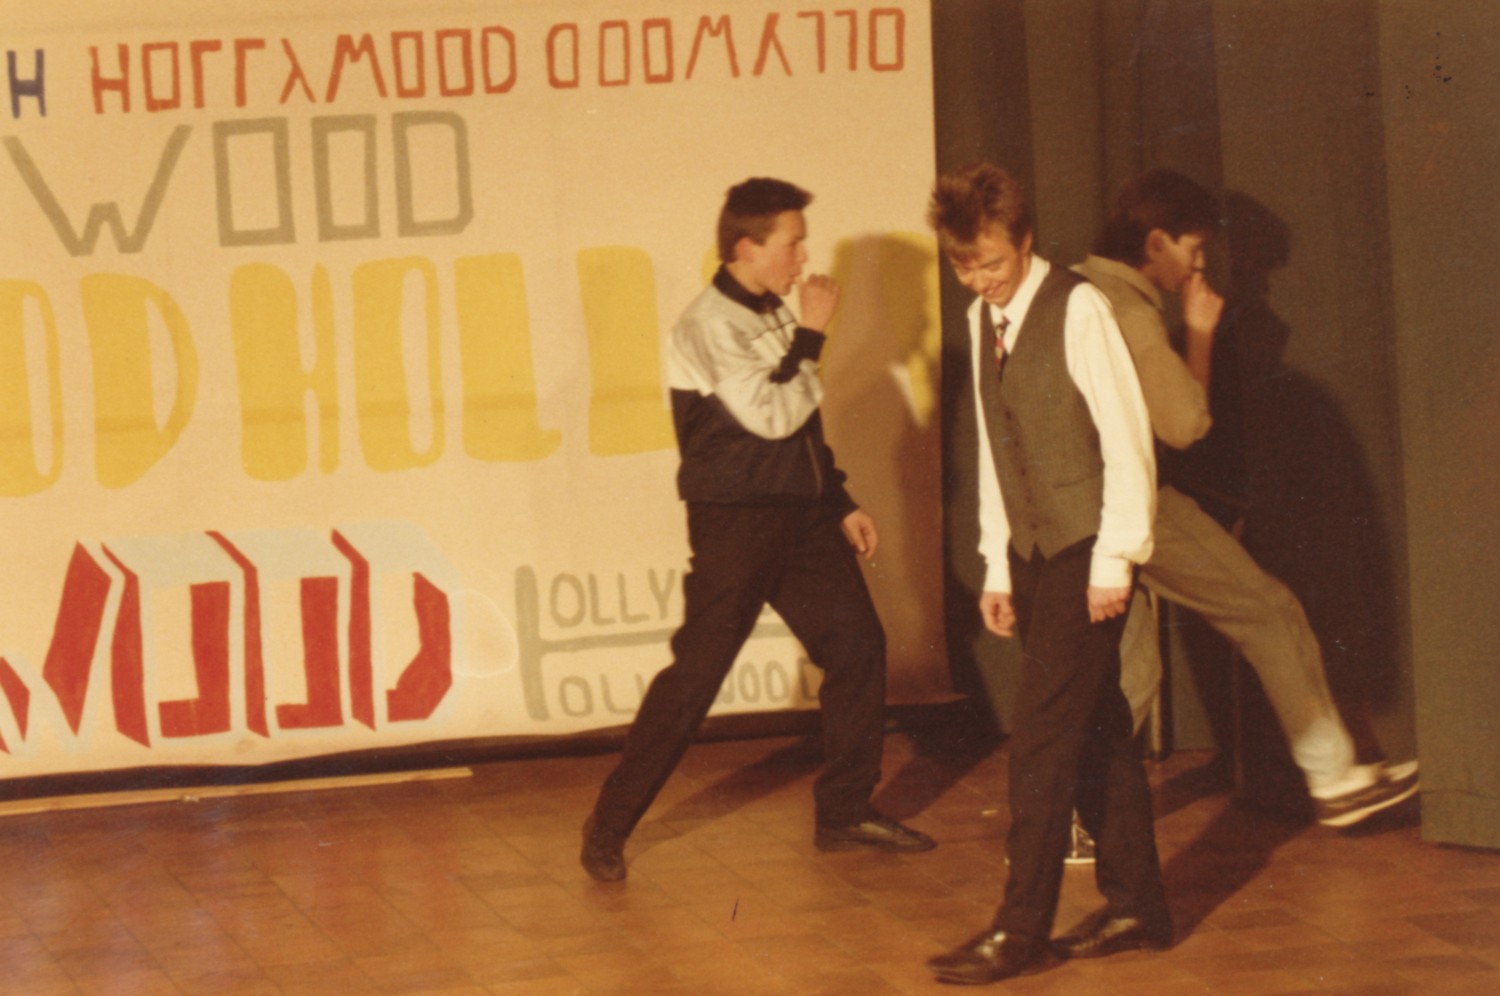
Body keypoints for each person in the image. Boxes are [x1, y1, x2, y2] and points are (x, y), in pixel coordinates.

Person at [579, 177, 935, 884]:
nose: (803, 258)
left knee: (858, 645)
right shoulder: (707, 325)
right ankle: (609, 825)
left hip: (801, 518)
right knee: (697, 677)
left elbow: (800, 428)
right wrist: (814, 333)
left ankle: (844, 812)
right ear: (747, 247)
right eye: (791, 244)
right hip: (736, 526)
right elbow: (771, 415)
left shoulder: (772, 311)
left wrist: (838, 499)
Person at [1077, 168, 1418, 828]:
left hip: (1080, 513)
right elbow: (1184, 425)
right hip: (1130, 505)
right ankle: (1334, 779)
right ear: (1156, 242)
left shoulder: (1077, 287)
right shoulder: (1132, 312)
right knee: (1270, 611)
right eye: (1194, 248)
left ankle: (1074, 816)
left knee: (1131, 671)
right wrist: (1199, 334)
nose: (1198, 266)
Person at [924, 163, 1170, 985]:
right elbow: (996, 447)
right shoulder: (978, 318)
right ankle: (1139, 907)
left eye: (992, 262)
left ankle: (1019, 929)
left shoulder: (1081, 307)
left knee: (1039, 741)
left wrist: (1115, 558)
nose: (980, 280)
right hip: (1031, 555)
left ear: (1025, 240)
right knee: (1096, 730)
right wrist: (997, 563)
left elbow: (1127, 439)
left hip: (1085, 550)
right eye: (964, 266)